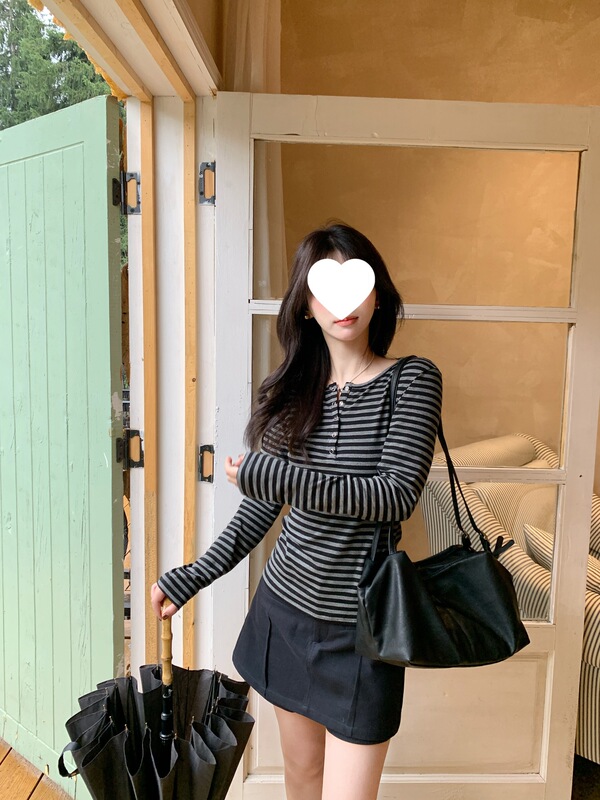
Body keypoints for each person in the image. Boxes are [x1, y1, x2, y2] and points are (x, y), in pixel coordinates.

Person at [151, 223, 443, 800]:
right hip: (284, 616)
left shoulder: (411, 381)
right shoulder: (291, 396)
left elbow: (392, 495)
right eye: (326, 287)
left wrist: (274, 474)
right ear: (306, 306)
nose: (343, 302)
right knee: (303, 780)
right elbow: (258, 514)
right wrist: (191, 577)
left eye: (356, 283)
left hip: (362, 635)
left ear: (377, 295)